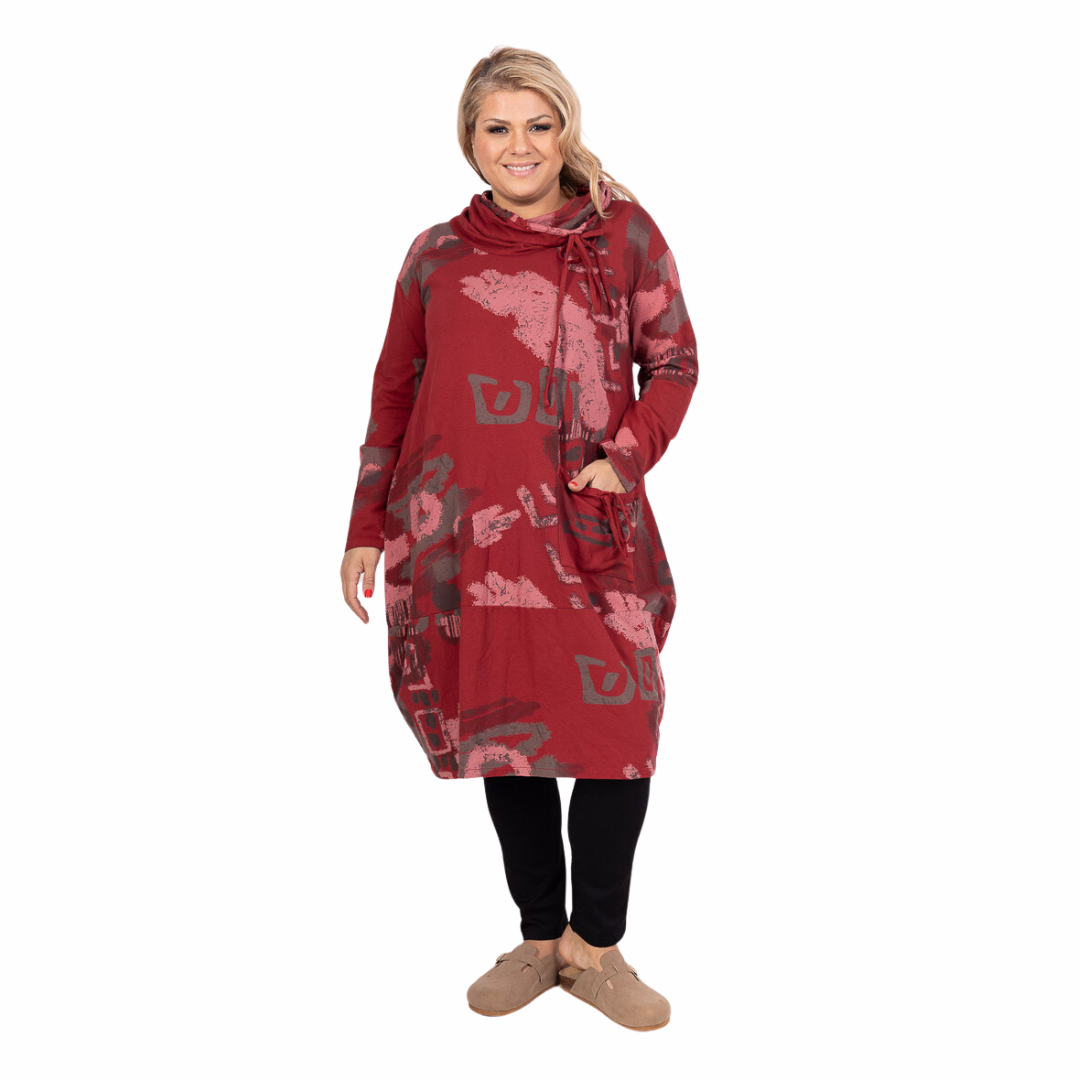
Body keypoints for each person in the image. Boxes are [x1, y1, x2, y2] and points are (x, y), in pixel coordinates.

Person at [339, 46, 698, 1030]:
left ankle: (596, 946)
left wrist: (622, 458)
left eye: (539, 124)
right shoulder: (435, 255)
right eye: (498, 128)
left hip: (588, 528)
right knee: (511, 734)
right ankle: (542, 940)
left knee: (620, 735)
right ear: (470, 139)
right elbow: (394, 393)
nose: (520, 145)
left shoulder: (621, 236)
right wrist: (366, 523)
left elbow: (673, 363)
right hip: (465, 530)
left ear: (566, 129)